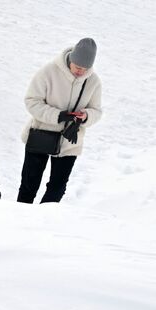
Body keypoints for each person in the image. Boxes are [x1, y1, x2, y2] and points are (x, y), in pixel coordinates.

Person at [17, 38, 103, 203]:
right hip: (40, 135)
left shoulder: (93, 81)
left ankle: (43, 222)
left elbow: (97, 111)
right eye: (78, 67)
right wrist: (58, 115)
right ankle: (18, 222)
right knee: (29, 184)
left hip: (70, 141)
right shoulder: (48, 72)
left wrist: (86, 116)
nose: (81, 72)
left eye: (85, 69)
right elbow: (31, 101)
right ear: (71, 59)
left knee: (58, 188)